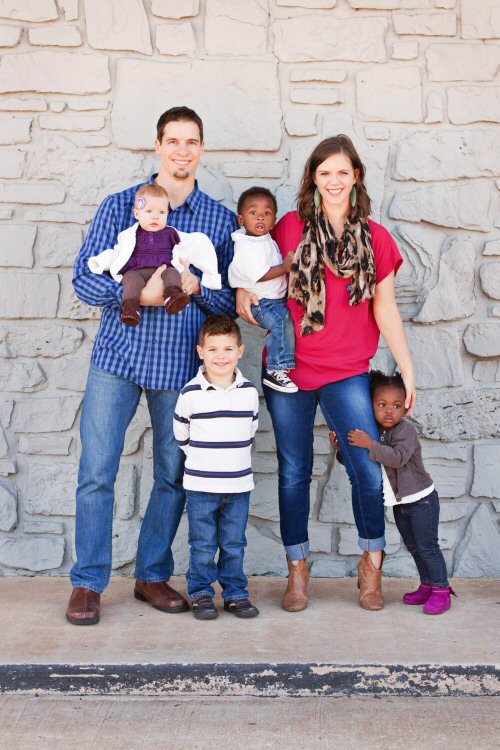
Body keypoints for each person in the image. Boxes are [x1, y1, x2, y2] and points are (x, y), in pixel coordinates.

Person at [66, 106, 238, 626]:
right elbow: (83, 279)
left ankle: (151, 575)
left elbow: (228, 302)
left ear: (201, 148)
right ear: (158, 145)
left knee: (173, 474)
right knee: (97, 471)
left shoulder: (218, 220)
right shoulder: (120, 206)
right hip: (117, 358)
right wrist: (136, 293)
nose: (182, 150)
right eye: (173, 141)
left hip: (180, 367)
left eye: (192, 141)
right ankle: (88, 582)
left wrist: (197, 288)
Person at [237, 134, 416, 613]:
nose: (333, 181)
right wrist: (242, 291)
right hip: (289, 371)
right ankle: (298, 568)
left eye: (342, 172)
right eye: (324, 173)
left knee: (366, 469)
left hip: (347, 371)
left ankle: (371, 563)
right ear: (313, 179)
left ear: (356, 176)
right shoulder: (290, 227)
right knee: (294, 471)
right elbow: (256, 268)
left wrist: (407, 369)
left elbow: (385, 308)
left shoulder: (376, 238)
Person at [346, 370, 455, 615]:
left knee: (428, 547)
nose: (389, 411)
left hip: (422, 501)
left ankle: (441, 590)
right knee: (414, 547)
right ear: (371, 406)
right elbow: (368, 461)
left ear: (405, 407)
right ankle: (426, 585)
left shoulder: (406, 431)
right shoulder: (376, 432)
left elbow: (397, 458)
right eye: (381, 404)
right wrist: (343, 451)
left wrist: (370, 444)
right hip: (401, 503)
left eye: (396, 405)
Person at [173, 315, 260, 620]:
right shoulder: (190, 394)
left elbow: (250, 429)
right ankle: (201, 593)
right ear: (201, 352)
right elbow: (181, 434)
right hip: (201, 486)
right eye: (212, 349)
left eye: (227, 349)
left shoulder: (248, 392)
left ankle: (235, 593)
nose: (220, 356)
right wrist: (204, 459)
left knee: (234, 543)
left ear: (240, 351)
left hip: (238, 486)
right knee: (203, 544)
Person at [88, 183, 221, 325]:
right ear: (137, 214)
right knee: (131, 281)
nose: (155, 217)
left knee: (173, 274)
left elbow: (195, 245)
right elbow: (116, 254)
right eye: (149, 211)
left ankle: (173, 296)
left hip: (165, 268)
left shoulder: (171, 233)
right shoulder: (129, 235)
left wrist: (208, 275)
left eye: (161, 212)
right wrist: (100, 262)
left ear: (167, 214)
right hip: (136, 271)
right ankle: (130, 309)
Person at [228, 187, 296, 393]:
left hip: (273, 298)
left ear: (273, 221)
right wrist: (285, 267)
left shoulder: (263, 239)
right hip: (261, 301)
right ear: (241, 220)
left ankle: (280, 365)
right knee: (280, 321)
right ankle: (277, 369)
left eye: (266, 213)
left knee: (285, 321)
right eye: (253, 213)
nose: (260, 217)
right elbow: (259, 274)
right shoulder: (246, 246)